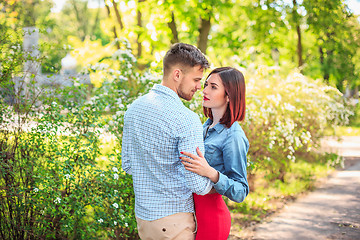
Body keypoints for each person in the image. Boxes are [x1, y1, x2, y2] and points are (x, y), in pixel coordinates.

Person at [121, 43, 213, 240]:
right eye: (196, 79)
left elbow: (128, 165)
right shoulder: (186, 119)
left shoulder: (133, 110)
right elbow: (197, 184)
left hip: (144, 220)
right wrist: (218, 181)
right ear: (177, 75)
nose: (199, 86)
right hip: (175, 221)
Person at [180, 67, 250, 240]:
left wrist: (210, 172)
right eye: (205, 85)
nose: (204, 90)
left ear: (229, 95)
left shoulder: (233, 136)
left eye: (213, 87)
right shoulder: (204, 126)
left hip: (211, 218)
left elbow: (241, 190)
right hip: (189, 214)